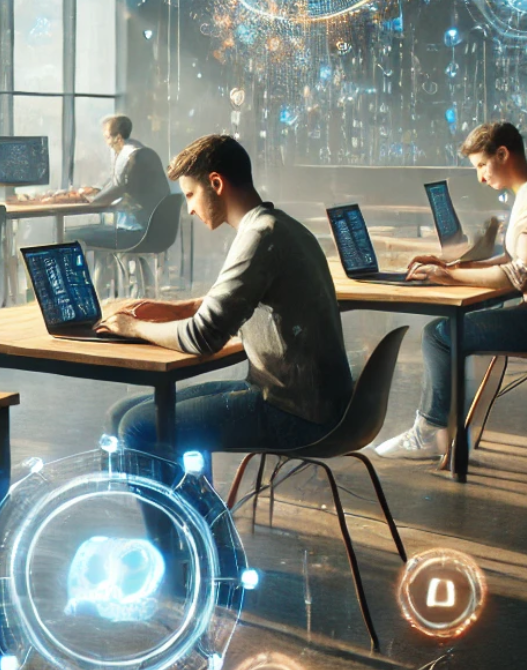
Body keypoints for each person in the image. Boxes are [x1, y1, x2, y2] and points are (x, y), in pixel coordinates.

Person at [97, 134, 353, 459]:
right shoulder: (278, 227)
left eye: (191, 194)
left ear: (216, 183)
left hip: (296, 412)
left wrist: (132, 328)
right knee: (121, 412)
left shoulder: (259, 237)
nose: (189, 208)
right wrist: (178, 308)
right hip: (306, 399)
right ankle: (196, 511)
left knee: (137, 426)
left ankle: (192, 512)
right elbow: (237, 301)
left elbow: (203, 336)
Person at [374, 121, 527, 462]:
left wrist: (449, 279)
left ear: (503, 154)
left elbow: (520, 277)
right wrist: (450, 267)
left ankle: (427, 432)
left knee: (440, 335)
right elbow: (512, 261)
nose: (481, 178)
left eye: (482, 166)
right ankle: (434, 430)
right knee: (442, 332)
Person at [66, 114, 171, 257]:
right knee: (99, 233)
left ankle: (87, 278)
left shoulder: (129, 156)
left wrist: (90, 201)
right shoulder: (141, 151)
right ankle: (103, 278)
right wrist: (99, 190)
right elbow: (128, 186)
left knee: (70, 235)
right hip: (157, 231)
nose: (106, 142)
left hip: (134, 233)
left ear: (119, 138)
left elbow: (117, 187)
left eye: (107, 137)